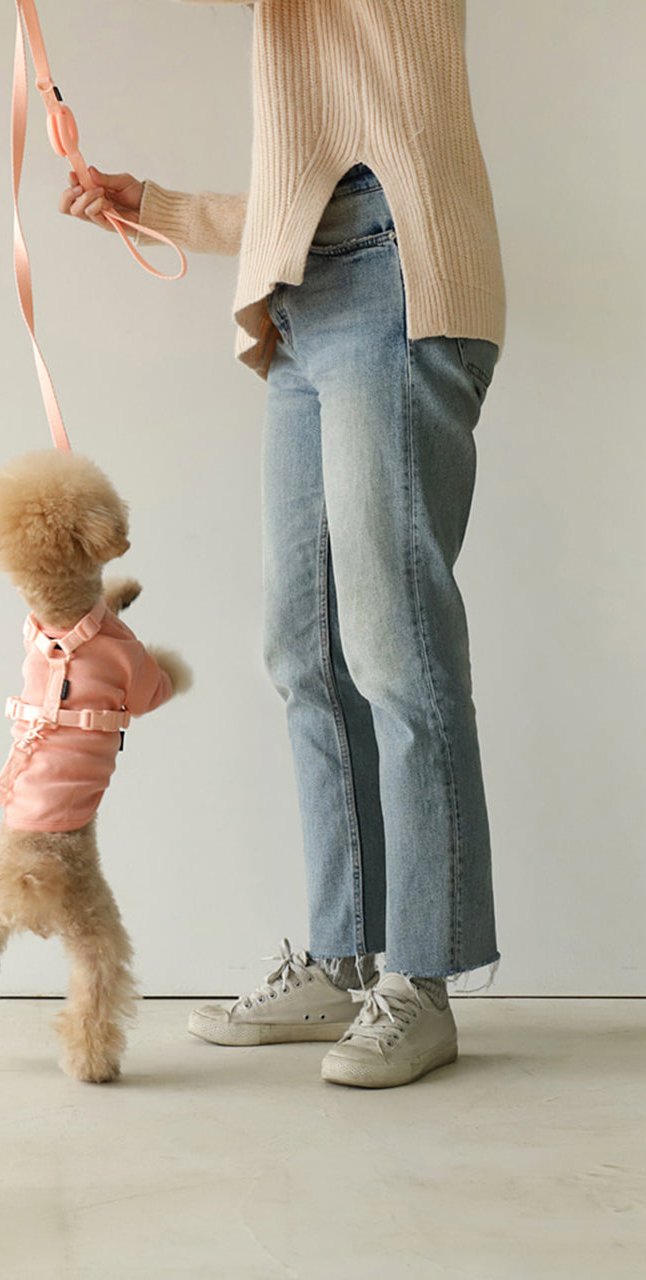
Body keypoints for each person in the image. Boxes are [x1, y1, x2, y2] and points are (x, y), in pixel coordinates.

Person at [60, 0, 504, 1088]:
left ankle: (423, 974)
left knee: (393, 644)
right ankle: (343, 951)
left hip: (401, 276)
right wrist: (156, 206)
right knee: (302, 649)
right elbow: (308, 188)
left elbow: (368, 180)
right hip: (303, 301)